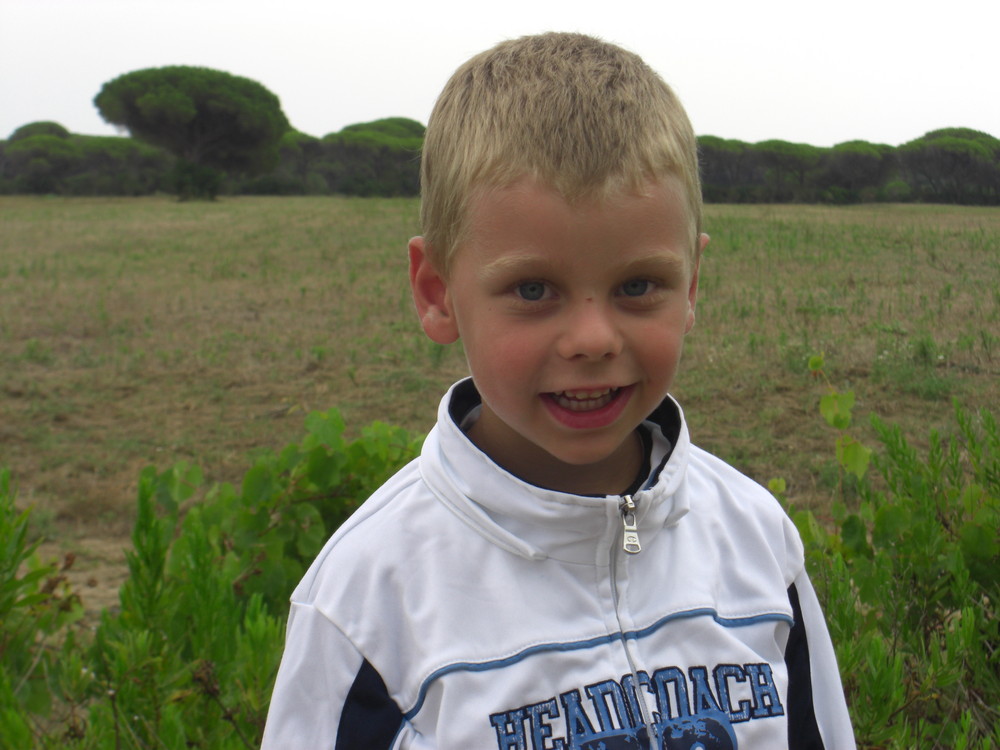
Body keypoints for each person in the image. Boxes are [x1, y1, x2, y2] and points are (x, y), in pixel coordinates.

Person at [261, 32, 855, 749]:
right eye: (534, 289)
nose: (593, 339)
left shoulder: (756, 539)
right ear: (438, 292)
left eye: (639, 286)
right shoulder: (369, 599)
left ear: (691, 284)